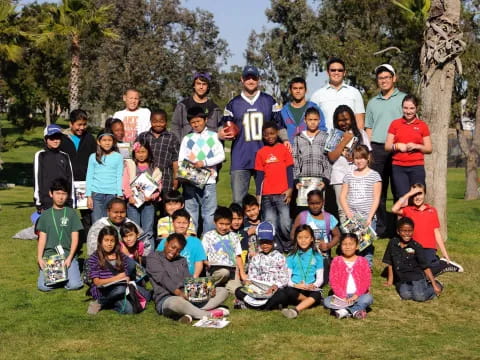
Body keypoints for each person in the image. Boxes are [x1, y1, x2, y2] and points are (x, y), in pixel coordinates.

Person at [219, 65, 287, 204]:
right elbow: (223, 127)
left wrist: (285, 140)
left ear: (258, 80)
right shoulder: (233, 104)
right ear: (242, 79)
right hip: (240, 157)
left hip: (265, 157)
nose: (250, 81)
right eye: (247, 78)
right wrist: (221, 133)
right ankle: (241, 226)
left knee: (266, 200)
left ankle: (265, 226)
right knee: (238, 201)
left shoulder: (269, 101)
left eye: (254, 78)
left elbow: (278, 125)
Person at [147, 233, 230, 324]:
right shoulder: (153, 257)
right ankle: (208, 314)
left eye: (178, 250)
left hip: (188, 296)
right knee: (176, 303)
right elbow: (163, 278)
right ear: (166, 243)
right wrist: (179, 293)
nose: (174, 252)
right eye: (172, 247)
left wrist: (208, 289)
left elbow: (189, 281)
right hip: (168, 298)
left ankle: (190, 312)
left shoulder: (182, 260)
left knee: (222, 291)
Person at [365, 64, 406, 236]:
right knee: (379, 191)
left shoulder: (404, 98)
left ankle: (399, 228)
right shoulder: (373, 102)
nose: (384, 81)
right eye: (381, 78)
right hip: (378, 148)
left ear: (394, 78)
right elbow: (369, 128)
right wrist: (369, 150)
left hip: (398, 149)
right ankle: (381, 228)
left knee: (399, 190)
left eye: (387, 77)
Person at [392, 183, 463, 274]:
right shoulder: (408, 210)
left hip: (428, 247)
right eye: (414, 195)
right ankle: (435, 263)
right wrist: (408, 194)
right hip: (413, 247)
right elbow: (394, 209)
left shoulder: (432, 210)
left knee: (427, 268)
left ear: (425, 194)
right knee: (412, 270)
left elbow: (436, 232)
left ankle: (443, 263)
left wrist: (445, 254)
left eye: (420, 193)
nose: (417, 197)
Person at [178, 107, 225, 234]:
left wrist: (204, 163)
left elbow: (221, 156)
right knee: (191, 212)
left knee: (209, 213)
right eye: (193, 122)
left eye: (198, 121)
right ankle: (192, 240)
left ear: (205, 120)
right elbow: (181, 160)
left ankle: (207, 241)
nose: (196, 124)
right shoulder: (187, 139)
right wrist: (190, 169)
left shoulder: (214, 136)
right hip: (191, 181)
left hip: (209, 181)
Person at [36, 179, 83, 292]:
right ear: (51, 194)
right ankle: (59, 278)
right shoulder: (45, 215)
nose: (61, 197)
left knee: (75, 285)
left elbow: (75, 239)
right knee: (43, 286)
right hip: (51, 257)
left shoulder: (72, 213)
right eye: (57, 193)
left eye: (64, 194)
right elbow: (42, 238)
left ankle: (62, 278)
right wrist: (39, 257)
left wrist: (70, 257)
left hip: (67, 256)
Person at [255, 121, 294, 253]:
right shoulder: (261, 152)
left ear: (277, 133)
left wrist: (290, 189)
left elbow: (290, 171)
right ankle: (277, 248)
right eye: (266, 135)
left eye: (272, 133)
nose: (270, 137)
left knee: (285, 223)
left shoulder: (284, 149)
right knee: (271, 223)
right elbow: (259, 177)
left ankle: (289, 246)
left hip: (283, 194)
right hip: (267, 195)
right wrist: (258, 196)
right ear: (263, 136)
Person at [382, 217, 443, 301]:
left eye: (409, 231)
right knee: (405, 295)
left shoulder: (416, 246)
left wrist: (434, 284)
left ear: (413, 231)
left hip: (417, 277)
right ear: (398, 231)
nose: (407, 234)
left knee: (419, 297)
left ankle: (437, 285)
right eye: (404, 231)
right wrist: (390, 281)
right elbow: (390, 262)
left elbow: (425, 267)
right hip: (403, 279)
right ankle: (418, 288)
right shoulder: (393, 243)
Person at [328, 105, 371, 221]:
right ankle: (346, 237)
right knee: (342, 209)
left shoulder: (361, 134)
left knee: (357, 207)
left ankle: (359, 236)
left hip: (358, 176)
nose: (344, 123)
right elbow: (331, 157)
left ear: (352, 118)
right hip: (339, 177)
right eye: (340, 120)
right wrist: (345, 140)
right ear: (336, 121)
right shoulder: (334, 135)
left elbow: (369, 155)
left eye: (346, 119)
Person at [234, 221, 290, 310]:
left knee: (282, 295)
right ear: (258, 241)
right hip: (258, 290)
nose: (265, 245)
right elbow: (252, 276)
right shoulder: (256, 258)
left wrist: (276, 286)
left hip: (272, 290)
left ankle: (250, 306)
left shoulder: (280, 257)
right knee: (239, 290)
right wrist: (248, 282)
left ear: (273, 240)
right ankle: (267, 306)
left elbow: (284, 278)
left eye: (268, 242)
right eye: (262, 242)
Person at [384, 95, 432, 198]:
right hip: (398, 168)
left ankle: (417, 214)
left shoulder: (422, 125)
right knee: (403, 198)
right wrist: (396, 146)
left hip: (417, 167)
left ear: (416, 108)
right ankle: (403, 215)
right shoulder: (395, 124)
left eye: (411, 108)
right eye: (405, 108)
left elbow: (429, 149)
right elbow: (387, 146)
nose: (408, 111)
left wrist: (417, 146)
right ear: (402, 108)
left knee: (417, 197)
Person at [290, 190, 340, 284]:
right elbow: (293, 234)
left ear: (323, 202)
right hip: (304, 255)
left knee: (323, 281)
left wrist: (328, 245)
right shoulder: (302, 216)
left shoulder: (329, 218)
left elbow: (337, 235)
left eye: (318, 203)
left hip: (323, 256)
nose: (315, 206)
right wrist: (301, 243)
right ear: (307, 203)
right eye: (312, 203)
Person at [59, 109, 97, 233]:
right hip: (67, 182)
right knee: (66, 212)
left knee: (87, 214)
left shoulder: (90, 138)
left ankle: (87, 236)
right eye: (78, 125)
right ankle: (65, 236)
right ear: (71, 124)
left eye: (84, 124)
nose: (81, 128)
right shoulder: (61, 139)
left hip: (85, 183)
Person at [86, 226, 136, 315]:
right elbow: (97, 282)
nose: (109, 244)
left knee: (129, 310)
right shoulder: (94, 258)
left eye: (112, 241)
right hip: (102, 290)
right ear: (100, 241)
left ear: (116, 242)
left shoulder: (120, 256)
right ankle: (100, 302)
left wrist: (126, 278)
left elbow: (126, 273)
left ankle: (106, 302)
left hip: (118, 287)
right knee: (120, 290)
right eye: (106, 240)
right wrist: (117, 278)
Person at [277, 225, 324, 319]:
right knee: (288, 291)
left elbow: (320, 278)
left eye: (306, 237)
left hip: (310, 288)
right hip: (296, 289)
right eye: (300, 238)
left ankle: (295, 310)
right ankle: (310, 302)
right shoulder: (291, 256)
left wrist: (314, 285)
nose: (303, 240)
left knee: (317, 294)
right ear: (296, 239)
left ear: (312, 239)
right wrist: (295, 285)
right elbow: (287, 278)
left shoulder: (317, 256)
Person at [323, 234, 373, 319]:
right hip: (341, 296)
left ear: (357, 246)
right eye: (344, 244)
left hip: (358, 296)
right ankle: (356, 311)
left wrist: (356, 295)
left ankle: (345, 311)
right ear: (340, 246)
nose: (347, 247)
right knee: (326, 301)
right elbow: (333, 281)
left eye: (351, 244)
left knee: (368, 298)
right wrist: (343, 296)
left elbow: (366, 281)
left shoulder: (363, 261)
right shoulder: (336, 261)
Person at [122, 140, 162, 246]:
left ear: (148, 152)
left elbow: (159, 187)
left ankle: (148, 258)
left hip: (148, 204)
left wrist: (152, 197)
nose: (141, 154)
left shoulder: (154, 168)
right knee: (132, 231)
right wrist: (129, 196)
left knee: (148, 231)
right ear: (134, 153)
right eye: (138, 152)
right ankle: (134, 256)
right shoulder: (130, 165)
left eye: (143, 152)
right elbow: (125, 183)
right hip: (133, 203)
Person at [292, 107, 332, 212]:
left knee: (319, 210)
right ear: (305, 120)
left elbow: (327, 160)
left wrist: (326, 180)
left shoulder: (325, 137)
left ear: (319, 120)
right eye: (310, 120)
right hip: (303, 182)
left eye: (315, 120)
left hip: (319, 181)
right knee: (304, 211)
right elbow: (295, 159)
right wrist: (296, 180)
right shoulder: (298, 137)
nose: (312, 122)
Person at [311, 57, 365, 130]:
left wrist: (357, 139)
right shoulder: (317, 95)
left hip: (350, 140)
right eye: (333, 70)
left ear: (344, 73)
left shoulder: (354, 93)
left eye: (340, 70)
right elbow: (312, 121)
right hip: (326, 140)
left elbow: (360, 121)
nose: (336, 72)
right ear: (328, 72)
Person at [202, 207, 247, 293]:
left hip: (232, 273)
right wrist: (207, 263)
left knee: (238, 290)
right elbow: (202, 256)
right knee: (224, 272)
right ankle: (207, 285)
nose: (224, 227)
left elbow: (238, 256)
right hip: (215, 271)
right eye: (221, 224)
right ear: (215, 222)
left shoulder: (234, 236)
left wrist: (242, 273)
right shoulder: (208, 236)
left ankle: (220, 286)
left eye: (227, 224)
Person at [136, 109, 180, 193]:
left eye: (161, 121)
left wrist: (176, 178)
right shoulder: (143, 136)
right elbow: (135, 155)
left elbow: (175, 160)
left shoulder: (172, 138)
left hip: (165, 179)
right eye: (155, 121)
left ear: (166, 122)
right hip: (145, 177)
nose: (158, 124)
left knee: (164, 204)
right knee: (147, 203)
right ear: (150, 122)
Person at [171, 71, 222, 141]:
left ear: (208, 87)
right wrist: (180, 146)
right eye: (198, 84)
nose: (201, 87)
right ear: (194, 86)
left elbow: (220, 130)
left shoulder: (215, 109)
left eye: (204, 84)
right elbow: (175, 127)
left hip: (209, 148)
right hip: (188, 148)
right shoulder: (182, 106)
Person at [85, 130, 124, 223]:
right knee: (97, 223)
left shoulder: (118, 157)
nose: (107, 143)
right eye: (104, 140)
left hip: (112, 194)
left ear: (113, 141)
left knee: (110, 222)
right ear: (99, 142)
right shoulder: (93, 157)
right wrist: (88, 196)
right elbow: (89, 176)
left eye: (109, 140)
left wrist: (119, 194)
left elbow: (119, 176)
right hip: (96, 194)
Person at [34, 124, 74, 211]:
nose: (56, 141)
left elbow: (70, 179)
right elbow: (38, 179)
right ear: (45, 139)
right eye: (52, 138)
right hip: (46, 202)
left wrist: (70, 200)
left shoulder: (65, 156)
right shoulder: (41, 155)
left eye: (58, 138)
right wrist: (39, 202)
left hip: (64, 202)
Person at [156, 209, 206, 277]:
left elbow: (199, 262)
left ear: (188, 224)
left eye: (184, 223)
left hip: (190, 278)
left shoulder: (196, 242)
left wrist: (195, 277)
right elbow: (157, 258)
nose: (181, 226)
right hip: (170, 279)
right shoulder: (166, 240)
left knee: (209, 287)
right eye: (178, 223)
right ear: (173, 223)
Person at [280, 77, 326, 143]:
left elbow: (322, 129)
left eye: (301, 88)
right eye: (295, 88)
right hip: (289, 151)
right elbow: (280, 130)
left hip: (309, 151)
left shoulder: (314, 108)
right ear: (290, 91)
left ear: (306, 90)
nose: (298, 91)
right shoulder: (284, 111)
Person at [242, 194, 262, 263]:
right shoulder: (243, 224)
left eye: (254, 209)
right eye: (248, 211)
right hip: (248, 256)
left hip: (262, 254)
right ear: (244, 212)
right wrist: (247, 233)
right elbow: (237, 239)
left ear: (259, 207)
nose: (252, 213)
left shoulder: (264, 221)